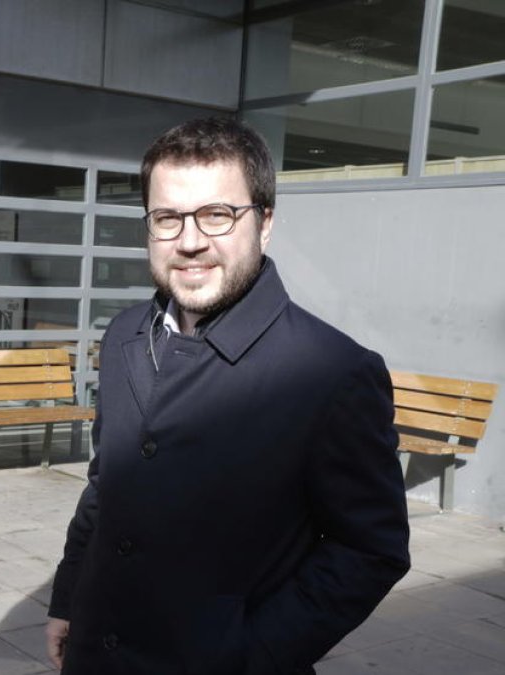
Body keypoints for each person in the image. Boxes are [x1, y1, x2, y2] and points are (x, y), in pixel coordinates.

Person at [45, 117, 410, 674]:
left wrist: (249, 654)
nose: (190, 241)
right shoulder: (122, 336)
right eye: (168, 218)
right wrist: (69, 598)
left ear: (264, 224)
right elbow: (106, 484)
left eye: (218, 214)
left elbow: (370, 549)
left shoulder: (332, 372)